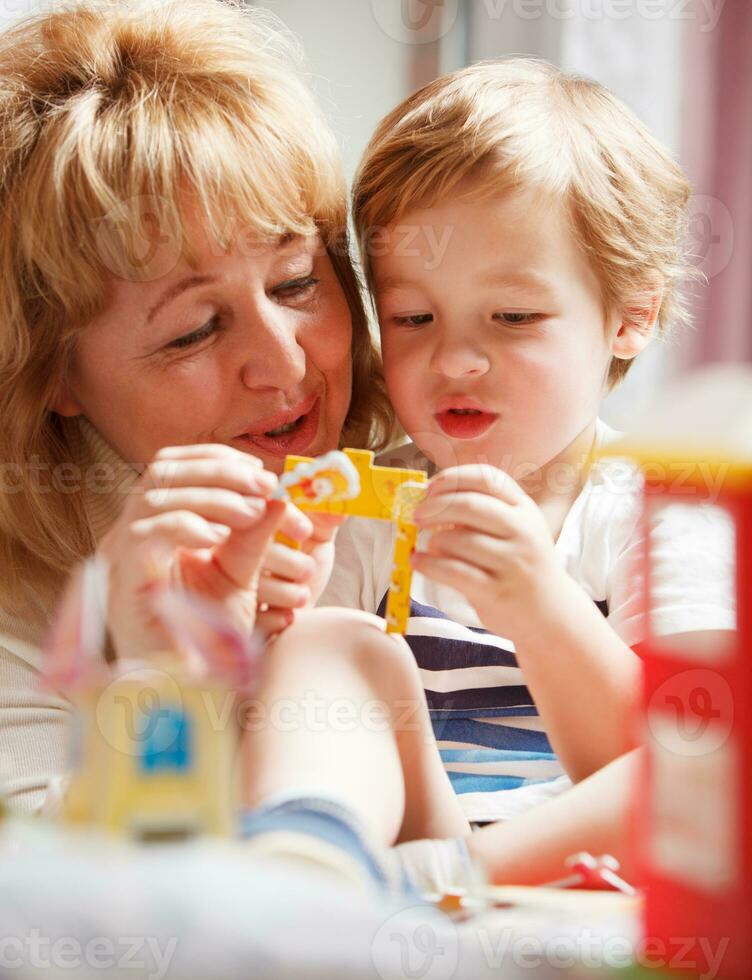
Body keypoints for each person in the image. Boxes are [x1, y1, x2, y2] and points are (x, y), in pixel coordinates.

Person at [319, 59, 736, 827]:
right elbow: (307, 724)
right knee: (315, 658)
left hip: (571, 868)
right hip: (404, 851)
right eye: (414, 319)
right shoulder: (364, 511)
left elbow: (673, 779)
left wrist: (539, 607)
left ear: (630, 316)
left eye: (512, 318)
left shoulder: (661, 512)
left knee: (699, 760)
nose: (454, 361)